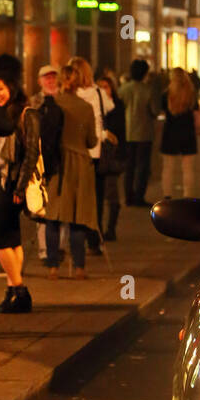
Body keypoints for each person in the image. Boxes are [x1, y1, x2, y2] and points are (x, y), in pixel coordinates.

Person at [45, 64, 97, 279]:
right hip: (80, 166)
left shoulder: (53, 105)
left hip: (56, 164)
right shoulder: (85, 107)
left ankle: (53, 267)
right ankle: (79, 268)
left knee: (54, 216)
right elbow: (92, 141)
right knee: (78, 216)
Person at [0, 56, 39, 313]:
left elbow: (31, 153)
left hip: (10, 185)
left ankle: (20, 290)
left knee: (0, 240)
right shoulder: (2, 114)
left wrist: (21, 188)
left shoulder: (26, 112)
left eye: (0, 89)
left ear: (12, 86)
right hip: (2, 183)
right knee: (12, 240)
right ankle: (12, 292)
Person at [70, 56, 113, 255]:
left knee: (76, 197)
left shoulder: (70, 95)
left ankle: (76, 237)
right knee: (96, 198)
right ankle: (95, 239)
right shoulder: (98, 92)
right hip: (96, 151)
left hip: (75, 152)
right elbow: (110, 109)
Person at [29, 65, 65, 262]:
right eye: (46, 78)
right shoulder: (34, 102)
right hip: (41, 161)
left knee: (61, 207)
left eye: (53, 77)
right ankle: (44, 250)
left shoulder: (64, 100)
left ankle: (60, 247)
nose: (50, 81)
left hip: (61, 161)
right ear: (39, 80)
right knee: (41, 206)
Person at [120, 59, 157, 207]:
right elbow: (154, 110)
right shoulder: (148, 90)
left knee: (129, 166)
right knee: (142, 167)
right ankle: (139, 197)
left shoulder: (123, 89)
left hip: (127, 131)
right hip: (144, 132)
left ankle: (128, 196)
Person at [96, 71, 126, 241]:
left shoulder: (117, 106)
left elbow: (120, 132)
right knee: (99, 196)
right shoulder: (94, 106)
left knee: (112, 195)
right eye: (99, 88)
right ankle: (98, 228)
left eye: (106, 87)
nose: (103, 91)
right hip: (98, 157)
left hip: (112, 157)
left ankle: (111, 228)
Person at [160, 68, 198, 197]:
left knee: (168, 167)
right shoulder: (191, 93)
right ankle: (187, 195)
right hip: (187, 131)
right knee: (188, 168)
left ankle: (167, 195)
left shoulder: (167, 94)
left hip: (170, 131)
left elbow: (162, 110)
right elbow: (196, 108)